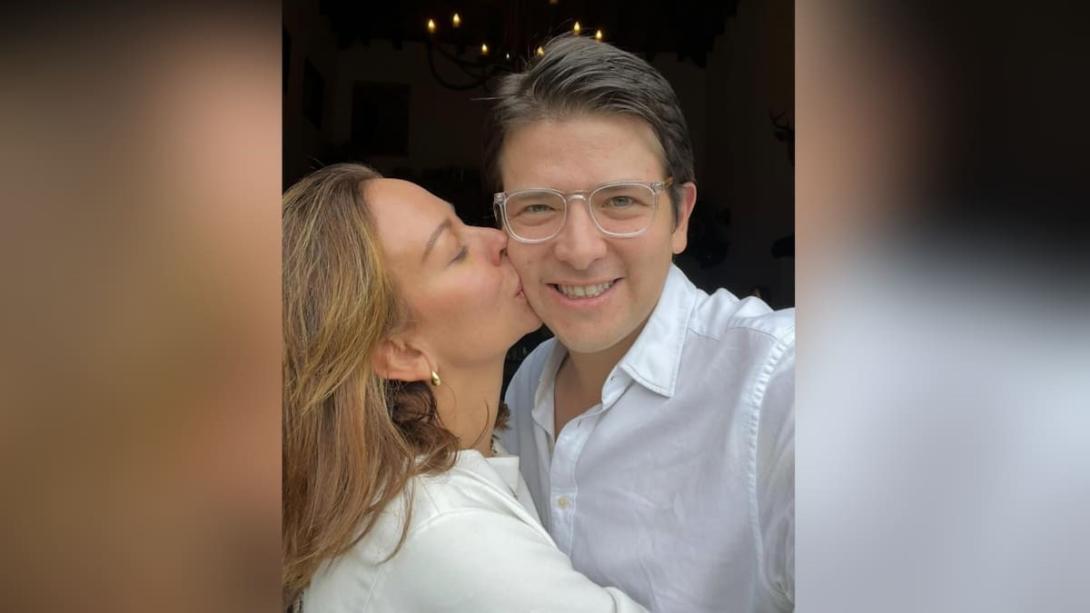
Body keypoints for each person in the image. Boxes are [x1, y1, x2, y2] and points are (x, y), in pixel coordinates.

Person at [488, 35, 795, 613]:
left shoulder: (783, 388)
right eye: (538, 206)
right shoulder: (527, 384)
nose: (579, 250)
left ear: (680, 217)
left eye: (621, 201)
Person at [281, 163, 649, 612]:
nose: (498, 239)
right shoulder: (440, 529)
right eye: (455, 252)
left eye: (464, 222)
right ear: (402, 352)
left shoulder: (437, 477)